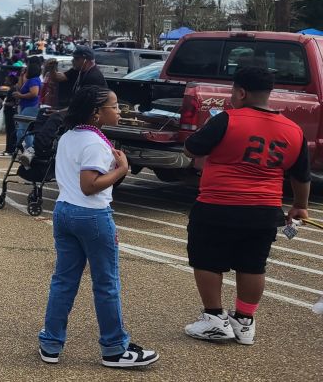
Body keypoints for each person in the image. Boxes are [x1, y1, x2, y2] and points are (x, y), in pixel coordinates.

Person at [181, 67, 310, 345]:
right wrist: (300, 206)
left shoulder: (227, 119)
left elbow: (192, 148)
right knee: (253, 265)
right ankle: (244, 321)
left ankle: (215, 319)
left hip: (218, 204)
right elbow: (301, 175)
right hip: (264, 209)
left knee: (207, 259)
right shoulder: (294, 130)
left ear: (241, 92)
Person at [38, 85, 160, 368]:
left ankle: (51, 343)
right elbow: (90, 185)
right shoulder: (93, 143)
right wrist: (121, 170)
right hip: (91, 215)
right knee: (106, 284)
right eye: (115, 106)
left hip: (64, 211)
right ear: (96, 113)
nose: (119, 111)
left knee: (64, 280)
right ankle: (115, 349)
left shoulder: (70, 135)